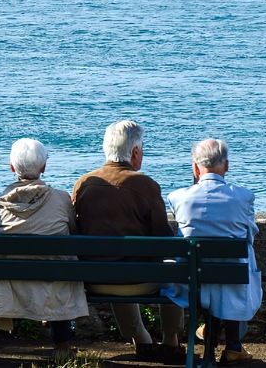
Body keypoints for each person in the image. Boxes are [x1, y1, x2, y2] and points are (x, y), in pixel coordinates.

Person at [72, 120, 185, 362]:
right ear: (134, 152)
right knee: (173, 269)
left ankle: (141, 339)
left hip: (95, 280)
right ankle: (171, 341)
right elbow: (164, 239)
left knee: (113, 263)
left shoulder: (83, 184)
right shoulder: (145, 185)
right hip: (140, 281)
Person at [0, 138, 89, 362]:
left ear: (11, 168)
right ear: (44, 167)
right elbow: (73, 232)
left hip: (11, 282)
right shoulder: (62, 199)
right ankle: (62, 346)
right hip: (56, 280)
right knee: (59, 270)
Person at [166, 139, 262, 365]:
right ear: (226, 166)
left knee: (211, 277)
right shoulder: (243, 197)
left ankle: (215, 340)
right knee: (235, 267)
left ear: (195, 167)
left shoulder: (178, 197)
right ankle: (233, 346)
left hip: (191, 280)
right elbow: (250, 236)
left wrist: (194, 180)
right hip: (231, 278)